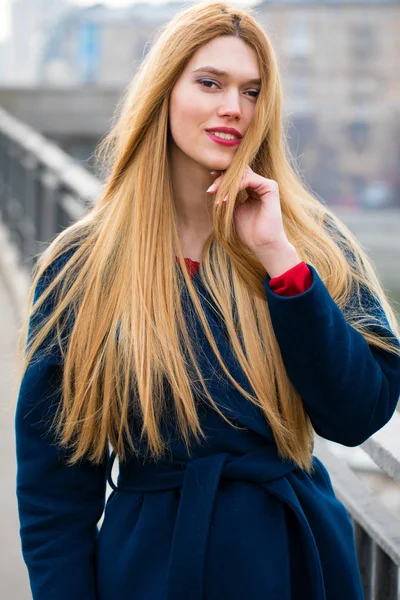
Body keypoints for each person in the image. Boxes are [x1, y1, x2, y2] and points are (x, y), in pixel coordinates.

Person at [14, 2, 400, 599]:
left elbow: (359, 413)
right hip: (153, 570)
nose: (233, 109)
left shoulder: (307, 242)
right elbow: (54, 491)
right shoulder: (85, 265)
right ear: (164, 91)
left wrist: (280, 263)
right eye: (210, 83)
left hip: (295, 563)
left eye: (252, 91)